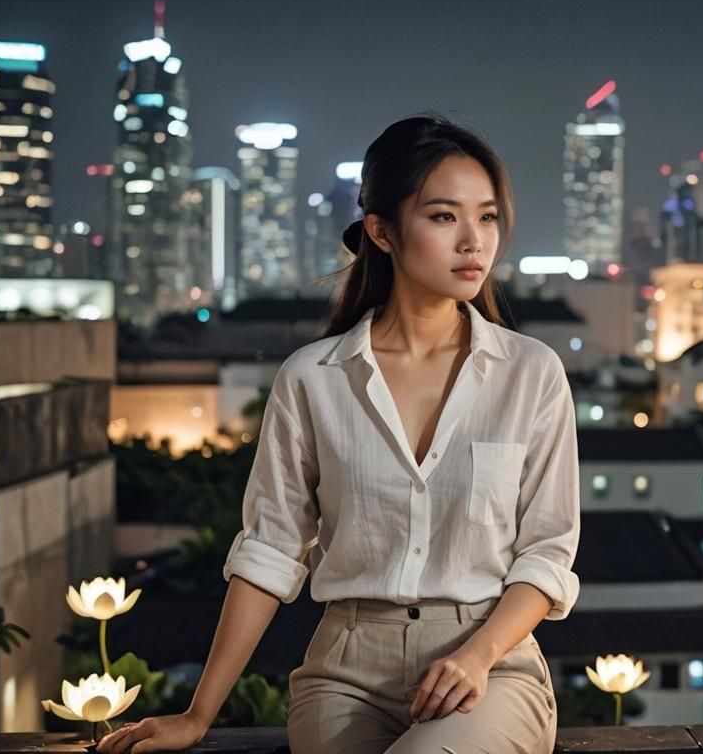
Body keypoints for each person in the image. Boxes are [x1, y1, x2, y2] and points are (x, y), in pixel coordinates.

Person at [98, 114, 581, 753]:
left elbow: (547, 553)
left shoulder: (531, 374)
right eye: (444, 217)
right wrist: (197, 716)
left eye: (487, 217)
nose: (474, 241)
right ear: (381, 231)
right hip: (345, 671)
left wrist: (479, 653)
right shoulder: (312, 380)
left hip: (488, 663)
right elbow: (269, 553)